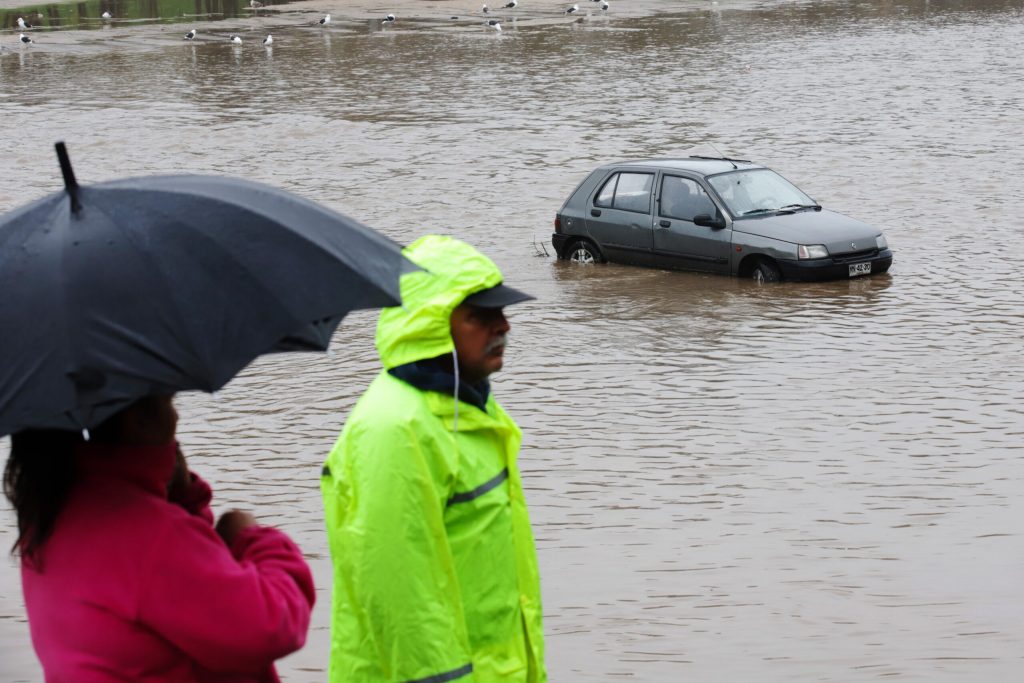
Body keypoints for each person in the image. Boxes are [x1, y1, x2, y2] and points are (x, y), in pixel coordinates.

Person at [321, 234, 546, 682]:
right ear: (433, 323)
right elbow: (402, 596)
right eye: (483, 315)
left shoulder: (472, 407)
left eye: (501, 312)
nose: (504, 326)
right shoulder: (394, 429)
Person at [3, 394, 315, 682]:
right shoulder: (147, 535)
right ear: (138, 419)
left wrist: (180, 501)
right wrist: (252, 537)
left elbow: (167, 600)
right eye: (170, 402)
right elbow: (272, 626)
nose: (177, 417)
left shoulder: (49, 514)